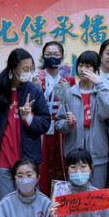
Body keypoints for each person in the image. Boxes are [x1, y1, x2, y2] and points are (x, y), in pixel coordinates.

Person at [0, 49, 50, 199]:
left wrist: (28, 117)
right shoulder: (0, 92)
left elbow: (45, 123)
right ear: (13, 69)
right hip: (4, 159)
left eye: (31, 69)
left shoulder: (34, 91)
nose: (28, 72)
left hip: (28, 158)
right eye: (25, 69)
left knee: (29, 202)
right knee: (6, 203)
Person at [63, 50, 109, 190]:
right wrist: (67, 123)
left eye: (88, 66)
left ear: (96, 70)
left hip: (98, 154)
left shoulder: (103, 91)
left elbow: (106, 113)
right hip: (74, 154)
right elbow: (59, 124)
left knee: (97, 194)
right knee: (75, 195)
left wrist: (100, 85)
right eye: (80, 65)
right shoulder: (69, 93)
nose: (83, 69)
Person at [34, 41, 74, 194]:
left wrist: (67, 89)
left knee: (62, 161)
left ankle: (62, 198)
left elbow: (71, 103)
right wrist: (34, 88)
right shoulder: (37, 77)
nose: (52, 57)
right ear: (43, 57)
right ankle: (42, 197)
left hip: (61, 126)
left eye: (56, 55)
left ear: (62, 57)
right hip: (41, 126)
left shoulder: (68, 78)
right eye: (48, 54)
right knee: (42, 163)